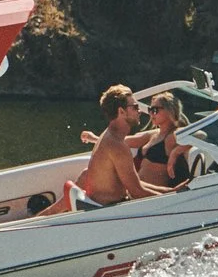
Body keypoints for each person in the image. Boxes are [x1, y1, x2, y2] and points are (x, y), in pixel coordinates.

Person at [42, 85, 175, 213]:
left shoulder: (109, 136)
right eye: (135, 107)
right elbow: (137, 192)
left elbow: (136, 184)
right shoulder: (117, 145)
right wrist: (175, 199)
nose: (139, 110)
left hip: (108, 208)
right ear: (121, 111)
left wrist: (171, 192)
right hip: (112, 214)